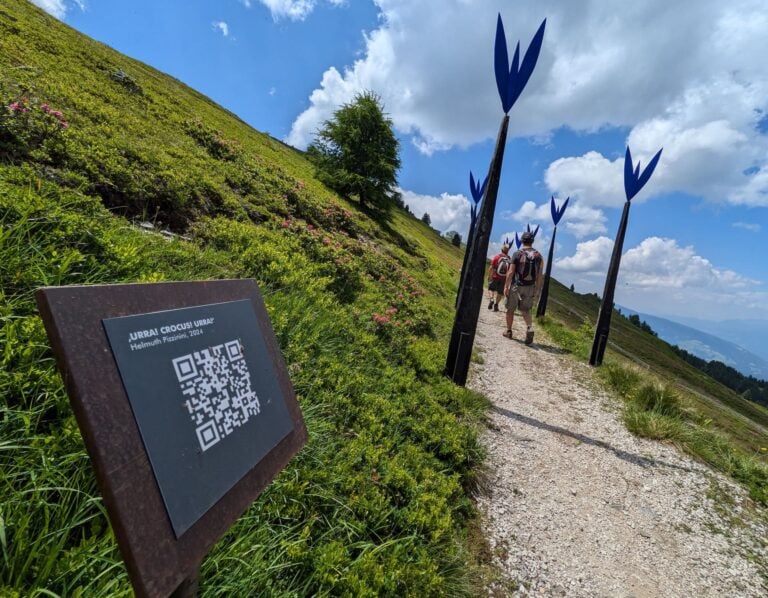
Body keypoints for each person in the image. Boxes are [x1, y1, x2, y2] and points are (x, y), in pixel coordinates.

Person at [503, 231, 543, 345]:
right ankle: (529, 328)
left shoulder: (517, 254)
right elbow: (540, 275)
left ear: (521, 241)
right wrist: (537, 289)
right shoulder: (539, 256)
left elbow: (510, 272)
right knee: (525, 310)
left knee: (510, 309)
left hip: (516, 286)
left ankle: (509, 331)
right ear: (532, 241)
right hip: (530, 287)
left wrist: (506, 286)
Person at [487, 244, 511, 312]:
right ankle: (496, 305)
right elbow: (510, 270)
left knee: (491, 288)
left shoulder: (497, 257)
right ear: (508, 251)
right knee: (500, 293)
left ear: (501, 249)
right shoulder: (509, 259)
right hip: (503, 279)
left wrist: (489, 276)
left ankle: (491, 299)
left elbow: (491, 267)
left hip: (495, 276)